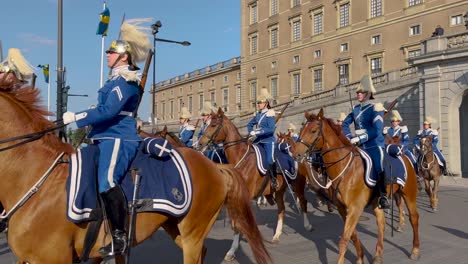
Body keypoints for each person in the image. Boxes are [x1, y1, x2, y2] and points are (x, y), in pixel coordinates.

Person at [62, 18, 151, 257]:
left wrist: (77, 117)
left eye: (112, 52)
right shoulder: (114, 81)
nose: (108, 55)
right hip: (103, 136)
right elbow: (103, 107)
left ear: (123, 57)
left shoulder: (125, 82)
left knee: (107, 181)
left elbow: (109, 112)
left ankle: (120, 236)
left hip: (118, 138)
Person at [342, 75, 390, 209]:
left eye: (361, 92)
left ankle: (382, 195)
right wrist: (349, 137)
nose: (358, 94)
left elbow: (377, 129)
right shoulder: (355, 109)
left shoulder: (376, 108)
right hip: (358, 145)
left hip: (374, 144)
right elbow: (345, 124)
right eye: (357, 92)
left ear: (368, 94)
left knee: (378, 165)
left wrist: (360, 138)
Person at [247, 88, 278, 189]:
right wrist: (250, 131)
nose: (259, 104)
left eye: (260, 102)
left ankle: (274, 179)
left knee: (270, 159)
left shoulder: (270, 113)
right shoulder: (258, 115)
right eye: (258, 102)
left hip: (268, 140)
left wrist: (256, 132)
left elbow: (270, 129)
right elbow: (249, 124)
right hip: (258, 140)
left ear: (266, 103)